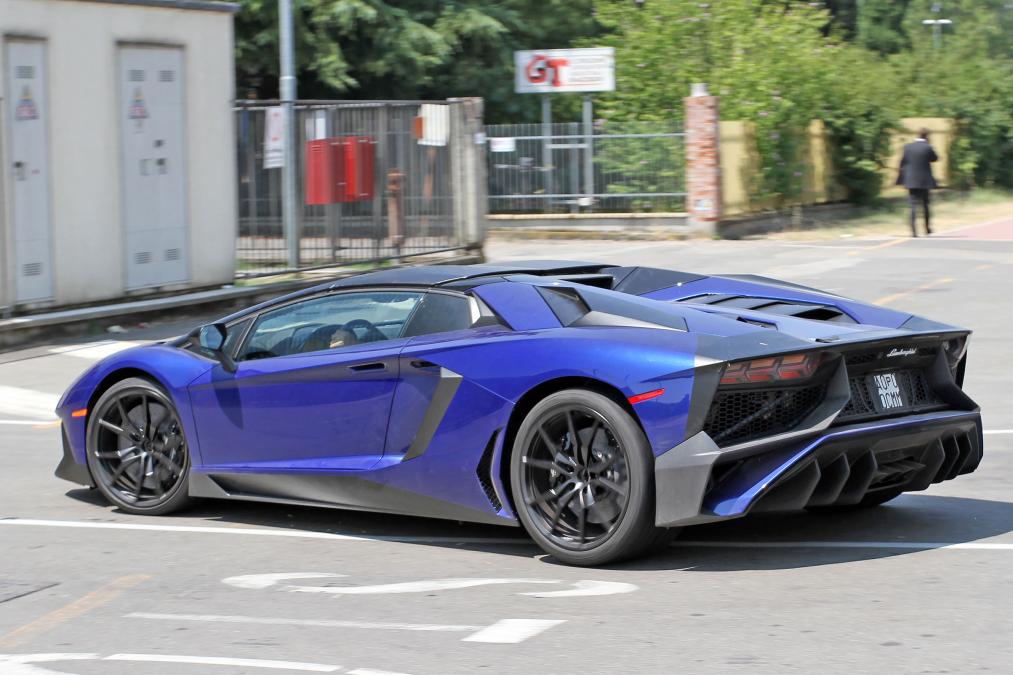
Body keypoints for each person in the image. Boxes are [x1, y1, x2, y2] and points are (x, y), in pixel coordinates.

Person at [896, 129, 938, 236]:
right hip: (924, 181)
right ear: (927, 137)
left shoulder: (907, 147)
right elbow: (935, 158)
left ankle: (914, 231)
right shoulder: (927, 147)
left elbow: (903, 162)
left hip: (911, 180)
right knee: (925, 206)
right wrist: (929, 146)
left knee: (912, 206)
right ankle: (927, 228)